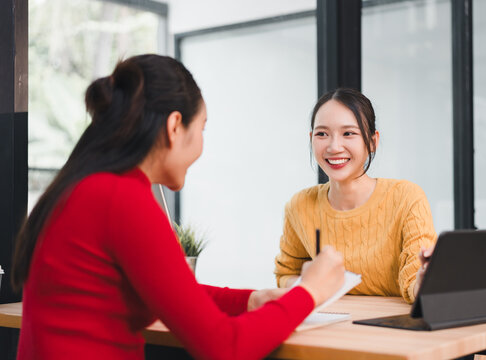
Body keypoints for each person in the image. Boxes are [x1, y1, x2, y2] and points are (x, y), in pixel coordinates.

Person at [11, 54, 346, 360]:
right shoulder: (122, 199)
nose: (202, 144)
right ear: (174, 127)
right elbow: (226, 348)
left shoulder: (87, 186)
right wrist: (309, 292)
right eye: (201, 129)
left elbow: (167, 289)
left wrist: (249, 300)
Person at [274, 88, 436, 304]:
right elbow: (285, 275)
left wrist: (425, 283)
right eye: (322, 134)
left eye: (348, 133)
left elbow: (414, 282)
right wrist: (312, 285)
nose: (334, 147)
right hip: (329, 330)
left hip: (392, 330)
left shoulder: (407, 198)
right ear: (311, 139)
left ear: (372, 141)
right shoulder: (299, 205)